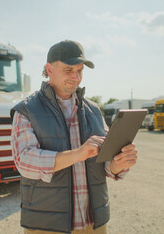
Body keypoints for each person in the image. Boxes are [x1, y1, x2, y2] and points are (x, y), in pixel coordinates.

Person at [10, 40, 138, 234]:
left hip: (93, 224)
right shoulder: (27, 109)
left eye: (79, 71)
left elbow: (105, 164)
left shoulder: (94, 110)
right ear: (49, 69)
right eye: (69, 70)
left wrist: (118, 164)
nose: (76, 77)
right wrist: (78, 154)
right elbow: (25, 161)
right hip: (47, 225)